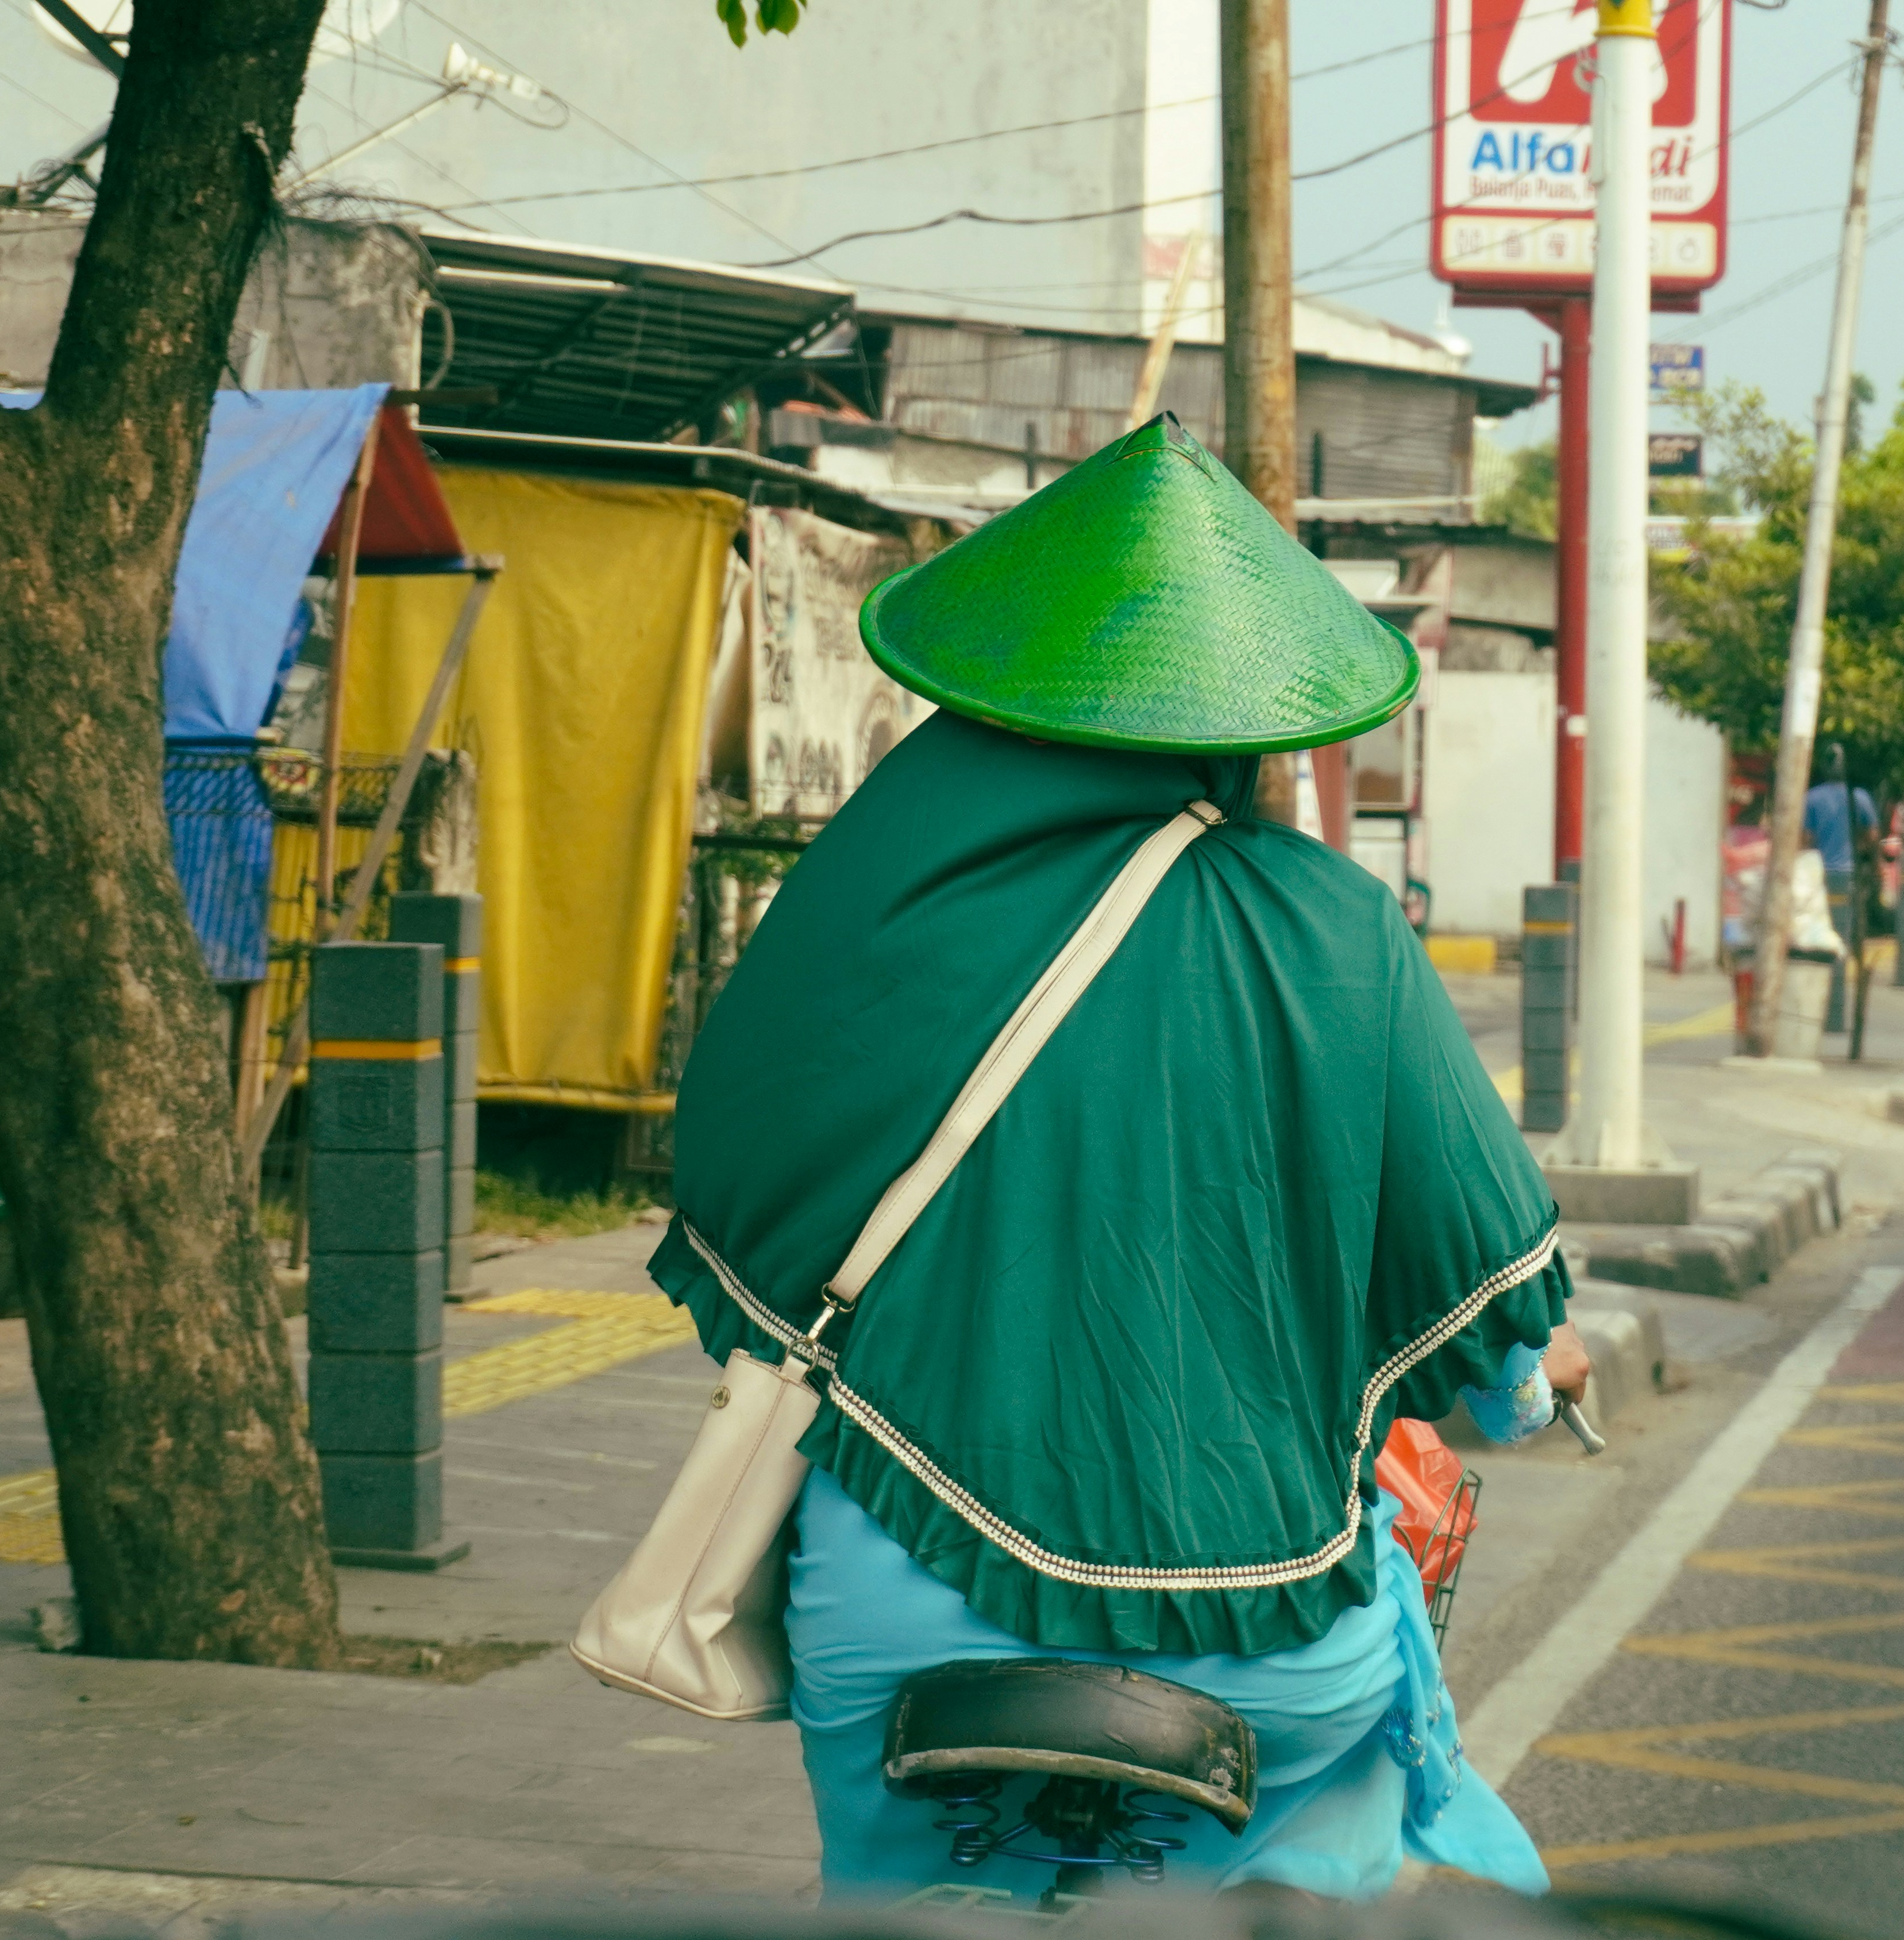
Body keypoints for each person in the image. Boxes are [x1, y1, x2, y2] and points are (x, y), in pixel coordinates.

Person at [648, 415, 1587, 1903]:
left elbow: (735, 1181)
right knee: (1321, 1844)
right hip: (1269, 1653)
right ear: (1249, 725)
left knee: (887, 1902)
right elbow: (1487, 1329)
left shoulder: (870, 908)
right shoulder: (1342, 937)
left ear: (1003, 705)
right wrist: (1529, 1392)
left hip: (897, 1625)